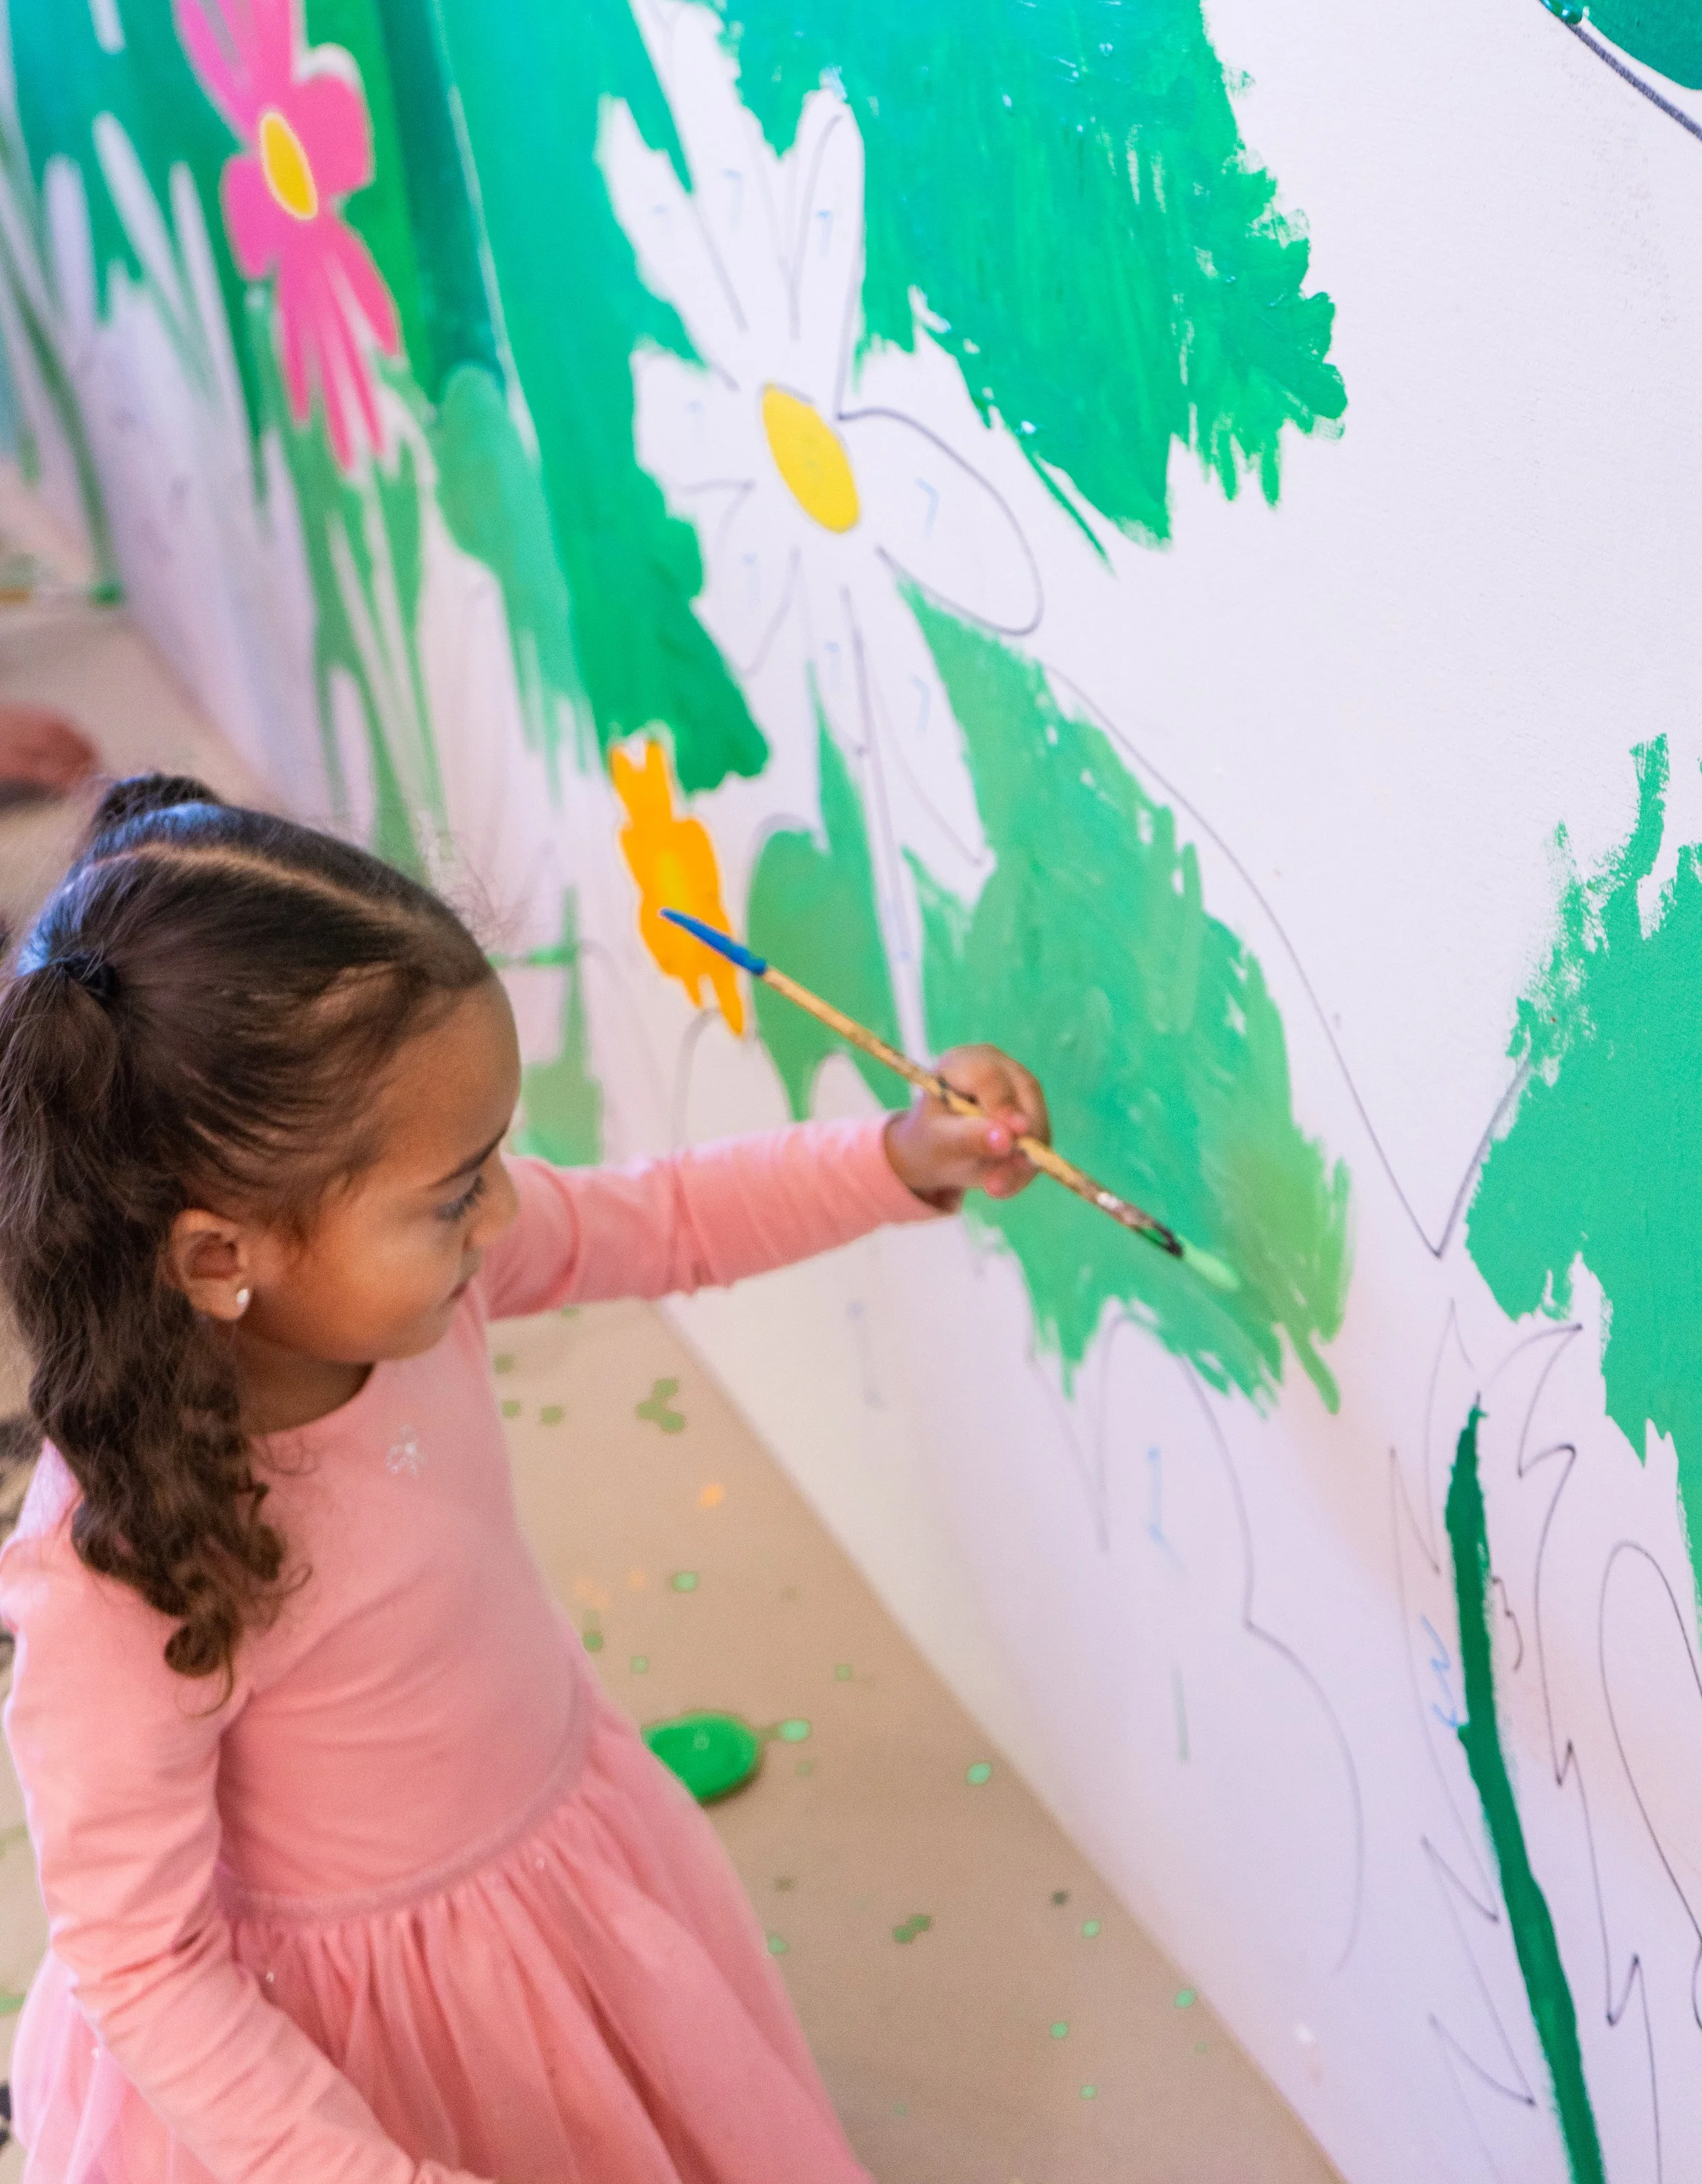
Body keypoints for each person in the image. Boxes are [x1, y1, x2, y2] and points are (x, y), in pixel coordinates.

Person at [0, 774, 1048, 2184]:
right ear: (218, 1257)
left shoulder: (430, 1283)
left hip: (554, 1862)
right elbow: (142, 1963)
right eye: (451, 1195)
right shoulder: (113, 1558)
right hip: (353, 2051)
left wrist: (894, 1160)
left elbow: (665, 1216)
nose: (499, 1213)